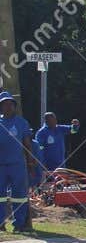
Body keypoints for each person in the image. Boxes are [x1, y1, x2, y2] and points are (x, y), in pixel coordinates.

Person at [0, 91, 36, 233]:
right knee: (0, 196)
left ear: (14, 106)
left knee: (19, 196)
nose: (8, 107)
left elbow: (27, 144)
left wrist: (31, 163)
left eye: (10, 104)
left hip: (17, 165)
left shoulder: (21, 122)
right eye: (5, 104)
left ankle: (19, 224)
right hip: (1, 165)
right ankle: (1, 224)